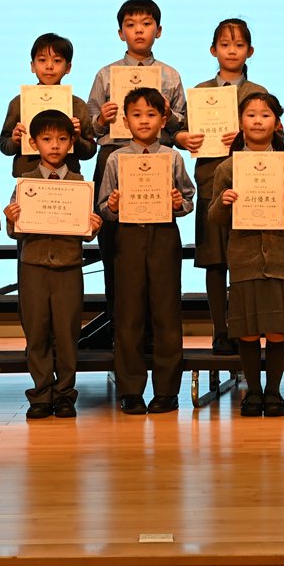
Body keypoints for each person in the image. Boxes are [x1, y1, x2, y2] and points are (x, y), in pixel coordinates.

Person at [83, 0, 187, 349]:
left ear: (159, 30)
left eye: (146, 24)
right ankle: (120, 332)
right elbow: (90, 128)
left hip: (156, 162)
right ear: (120, 33)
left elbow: (181, 126)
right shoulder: (105, 75)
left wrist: (169, 114)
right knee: (115, 251)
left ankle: (156, 335)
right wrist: (102, 118)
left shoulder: (170, 75)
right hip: (114, 157)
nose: (138, 30)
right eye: (130, 25)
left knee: (157, 252)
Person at [209, 91, 284, 417]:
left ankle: (274, 392)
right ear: (241, 122)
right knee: (248, 332)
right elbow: (214, 217)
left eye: (265, 115)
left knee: (278, 331)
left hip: (279, 260)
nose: (257, 121)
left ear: (277, 124)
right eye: (250, 115)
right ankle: (253, 392)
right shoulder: (227, 168)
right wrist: (223, 202)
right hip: (244, 260)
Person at [96, 87, 195, 414]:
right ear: (125, 121)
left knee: (167, 315)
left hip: (164, 237)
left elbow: (188, 198)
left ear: (163, 120)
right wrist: (112, 206)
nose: (144, 121)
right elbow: (103, 207)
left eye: (151, 114)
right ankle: (131, 390)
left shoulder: (172, 157)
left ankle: (167, 391)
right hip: (128, 238)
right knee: (129, 316)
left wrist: (178, 203)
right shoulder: (115, 159)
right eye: (136, 115)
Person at [175, 18, 269, 354]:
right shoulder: (200, 92)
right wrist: (182, 138)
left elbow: (275, 139)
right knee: (214, 259)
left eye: (239, 45)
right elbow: (179, 130)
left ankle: (246, 327)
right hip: (211, 181)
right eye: (225, 45)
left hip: (252, 185)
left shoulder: (258, 93)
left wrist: (248, 134)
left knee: (246, 260)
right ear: (213, 50)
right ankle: (220, 329)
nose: (232, 51)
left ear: (250, 51)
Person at [4, 108, 104, 420]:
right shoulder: (25, 183)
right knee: (36, 332)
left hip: (68, 267)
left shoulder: (79, 184)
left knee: (67, 334)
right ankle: (40, 394)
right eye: (47, 139)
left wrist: (93, 227)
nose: (55, 145)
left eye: (62, 139)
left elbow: (85, 232)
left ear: (71, 142)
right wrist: (11, 219)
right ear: (34, 143)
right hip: (33, 266)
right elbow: (15, 231)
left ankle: (64, 395)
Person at [0, 32, 97, 178]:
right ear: (33, 66)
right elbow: (3, 145)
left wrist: (77, 139)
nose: (49, 66)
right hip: (28, 176)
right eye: (42, 60)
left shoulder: (77, 105)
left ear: (68, 67)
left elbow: (90, 151)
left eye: (57, 61)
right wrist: (14, 140)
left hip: (67, 178)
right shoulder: (19, 102)